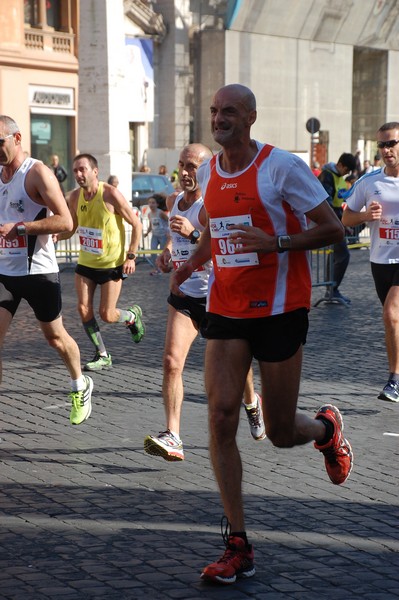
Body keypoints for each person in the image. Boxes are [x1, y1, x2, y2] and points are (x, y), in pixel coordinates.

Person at [171, 84, 353, 585]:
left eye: (228, 111)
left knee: (278, 431)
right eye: (213, 111)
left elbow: (334, 229)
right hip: (226, 309)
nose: (219, 118)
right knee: (221, 414)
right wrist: (192, 262)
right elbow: (216, 230)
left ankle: (325, 430)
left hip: (279, 311)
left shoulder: (281, 168)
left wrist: (275, 242)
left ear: (250, 117)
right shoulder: (208, 171)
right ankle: (237, 543)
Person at [143, 143, 266, 462]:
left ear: (208, 169)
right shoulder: (173, 201)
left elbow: (224, 245)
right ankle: (173, 435)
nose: (185, 173)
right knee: (171, 362)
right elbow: (175, 236)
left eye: (192, 167)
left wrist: (194, 236)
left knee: (237, 369)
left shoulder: (214, 205)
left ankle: (252, 404)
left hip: (217, 299)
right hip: (184, 295)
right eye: (181, 166)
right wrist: (168, 251)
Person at [0, 115, 93, 425]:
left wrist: (22, 228)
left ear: (16, 139)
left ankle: (80, 383)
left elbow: (66, 221)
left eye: (0, 142)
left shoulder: (37, 172)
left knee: (55, 338)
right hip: (4, 274)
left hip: (38, 272)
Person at [63, 153, 145, 371]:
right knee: (83, 309)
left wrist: (131, 255)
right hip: (86, 264)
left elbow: (136, 224)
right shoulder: (74, 197)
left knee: (107, 314)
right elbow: (71, 227)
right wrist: (56, 236)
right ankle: (103, 354)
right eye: (75, 171)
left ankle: (131, 315)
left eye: (83, 170)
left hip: (111, 265)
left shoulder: (109, 194)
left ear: (95, 171)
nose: (79, 174)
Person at [342, 122, 399, 402]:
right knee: (394, 321)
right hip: (380, 260)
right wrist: (366, 217)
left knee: (391, 313)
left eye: (392, 143)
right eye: (383, 145)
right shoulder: (370, 182)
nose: (387, 150)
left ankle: (394, 380)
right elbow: (346, 218)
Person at [318, 152, 357, 304]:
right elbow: (326, 203)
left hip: (335, 220)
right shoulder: (327, 176)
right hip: (329, 222)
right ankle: (332, 289)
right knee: (343, 255)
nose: (346, 174)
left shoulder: (338, 177)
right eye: (346, 170)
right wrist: (340, 223)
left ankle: (331, 289)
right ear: (340, 165)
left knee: (335, 255)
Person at [143, 193, 170, 275]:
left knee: (162, 253)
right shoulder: (149, 214)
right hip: (155, 235)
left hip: (163, 235)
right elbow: (151, 225)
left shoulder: (161, 213)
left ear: (157, 204)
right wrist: (147, 233)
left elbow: (169, 221)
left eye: (153, 203)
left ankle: (163, 268)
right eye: (150, 203)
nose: (151, 205)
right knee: (153, 252)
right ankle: (156, 269)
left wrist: (169, 232)